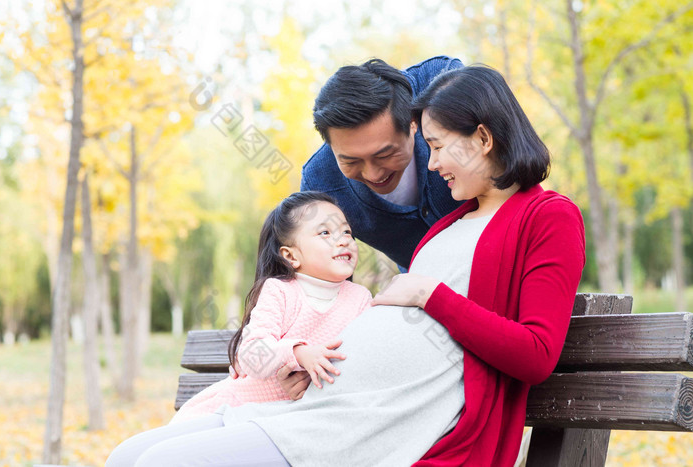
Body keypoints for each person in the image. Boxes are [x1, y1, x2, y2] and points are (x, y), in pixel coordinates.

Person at [107, 65, 585, 467]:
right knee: (128, 455)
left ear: (482, 138)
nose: (432, 163)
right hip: (323, 399)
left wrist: (426, 294)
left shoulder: (547, 215)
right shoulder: (454, 220)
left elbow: (536, 354)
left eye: (437, 146)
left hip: (375, 422)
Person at [107, 191, 372, 464]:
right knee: (124, 457)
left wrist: (314, 389)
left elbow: (364, 366)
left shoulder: (360, 299)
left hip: (289, 426)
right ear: (291, 256)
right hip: (242, 409)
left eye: (347, 232)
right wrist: (298, 353)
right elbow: (252, 354)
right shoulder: (280, 292)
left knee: (158, 461)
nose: (342, 240)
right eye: (325, 233)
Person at [302, 56, 465, 271]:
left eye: (385, 155)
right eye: (351, 161)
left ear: (412, 122)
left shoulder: (441, 84)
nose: (373, 175)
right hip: (424, 288)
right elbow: (323, 274)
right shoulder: (319, 183)